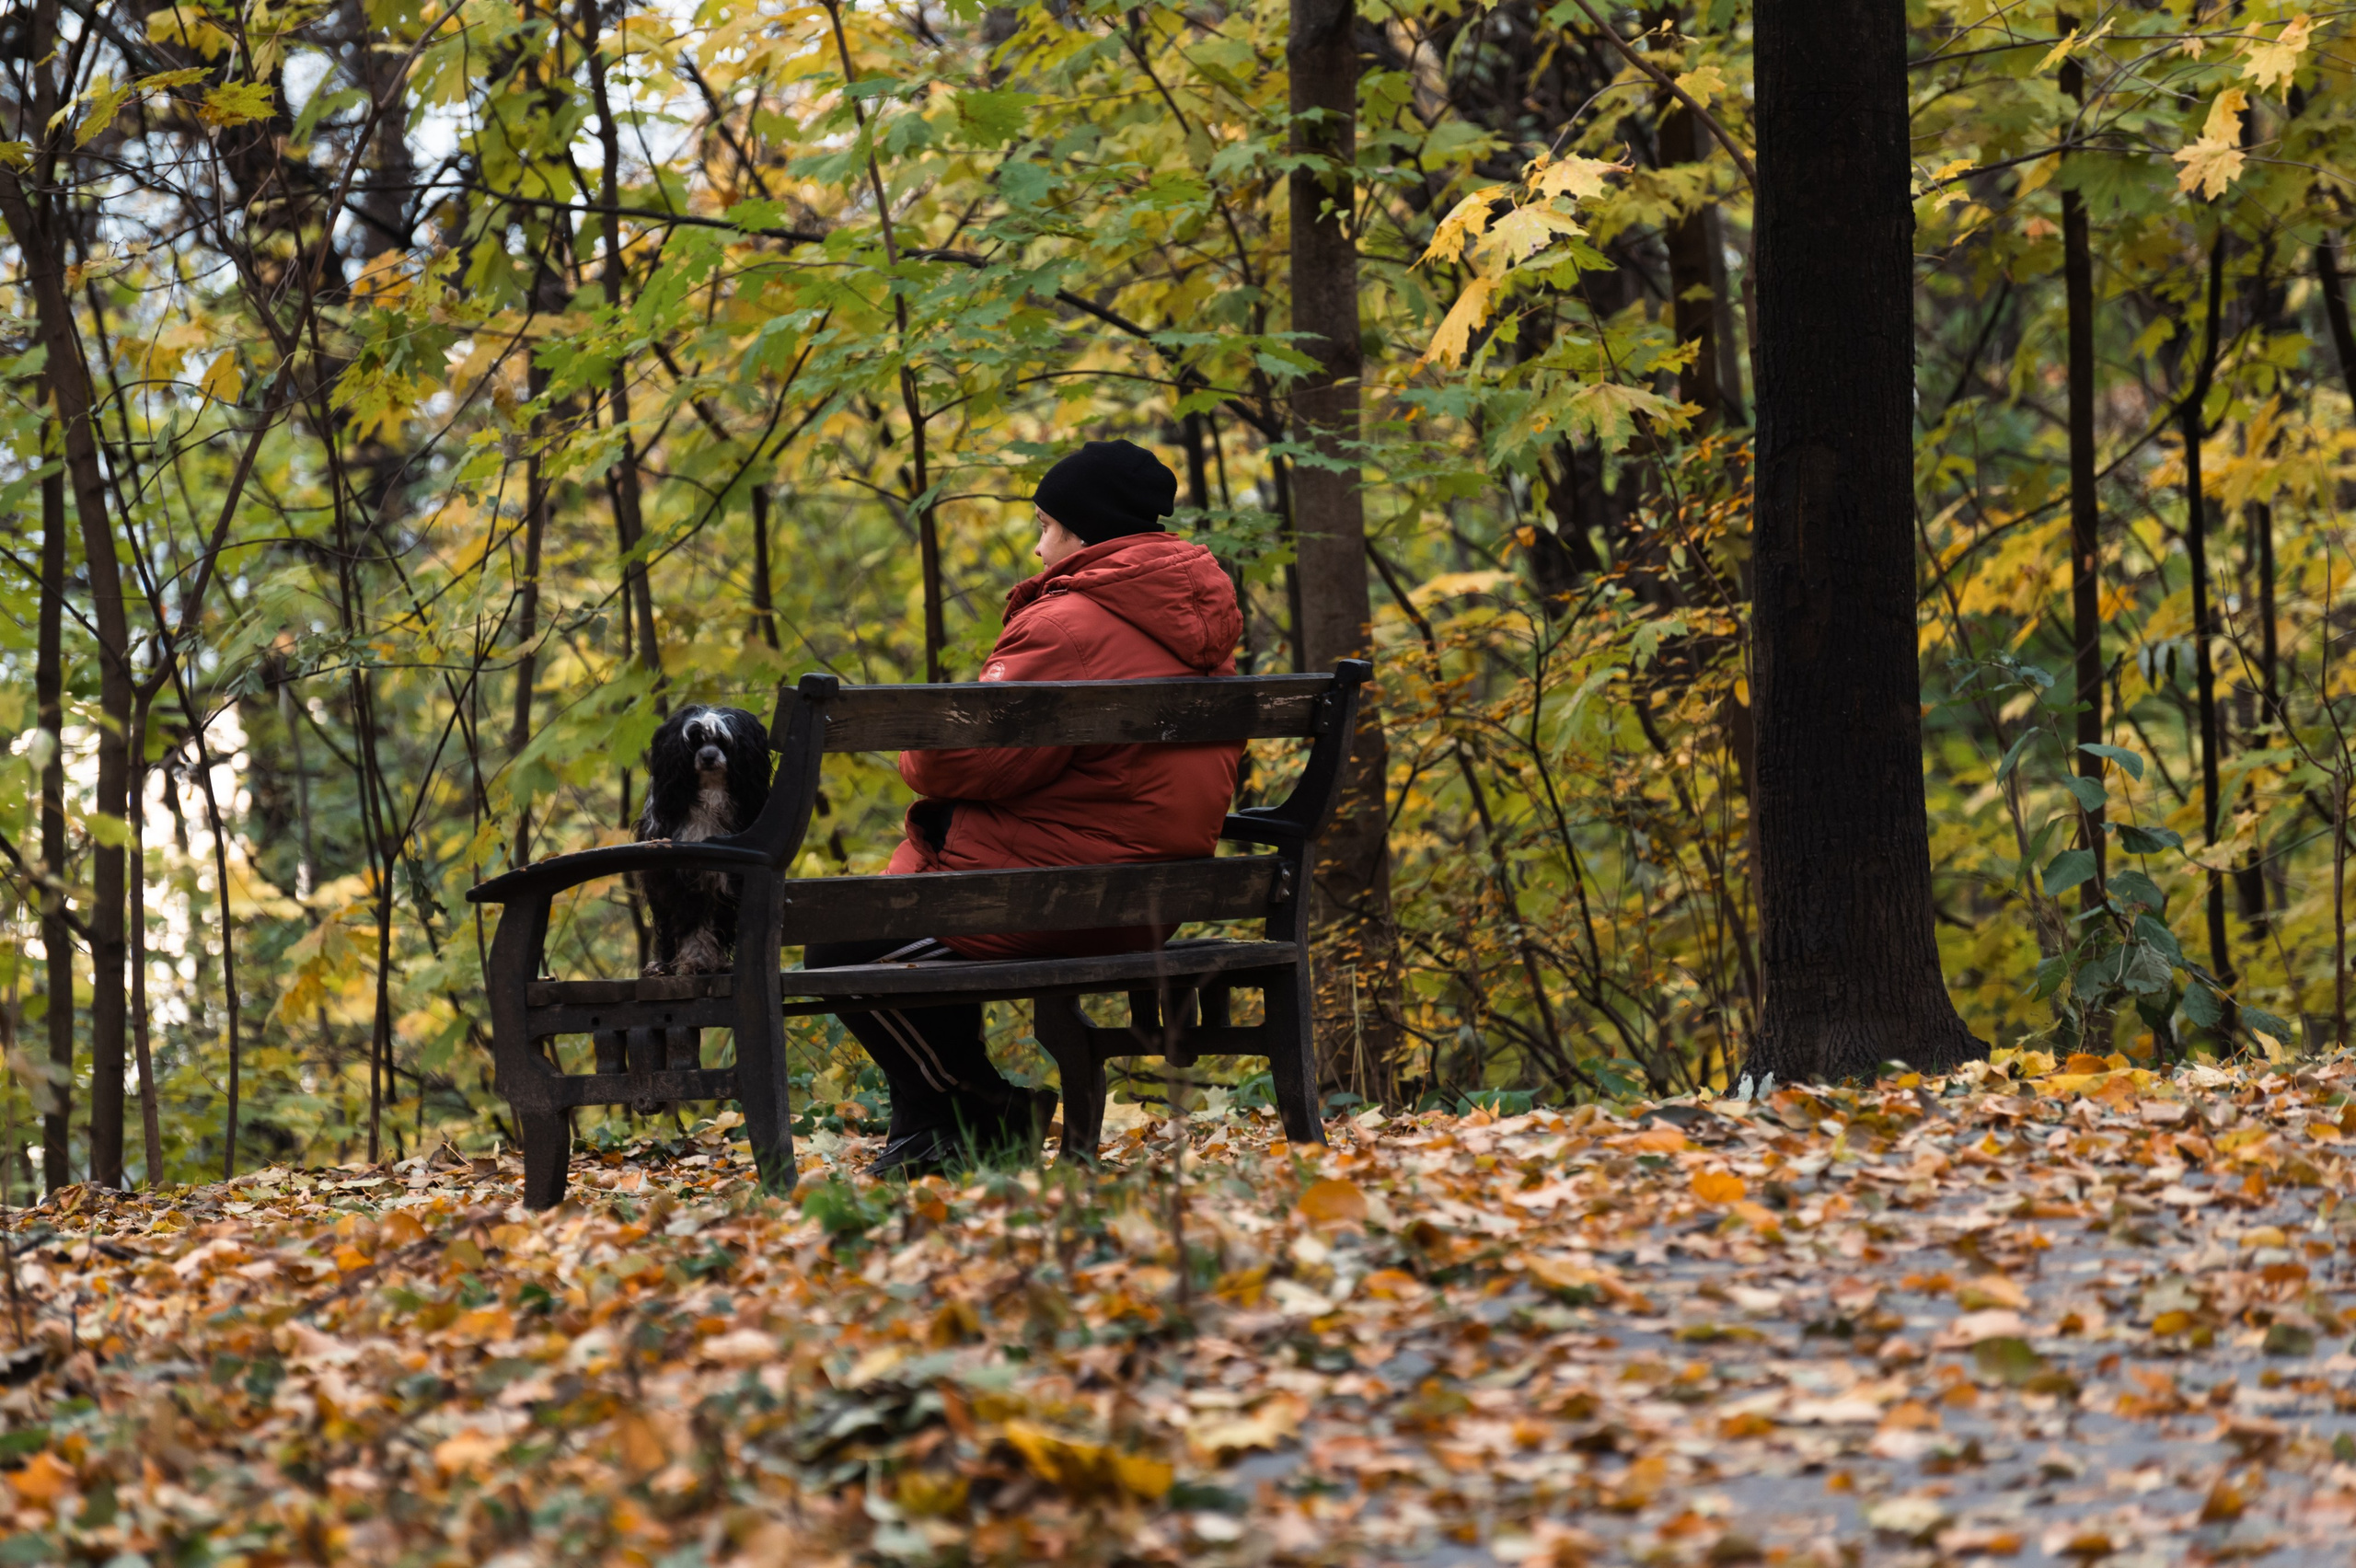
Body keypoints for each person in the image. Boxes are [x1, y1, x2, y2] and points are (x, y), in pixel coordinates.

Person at [805, 439, 1245, 1173]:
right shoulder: (1202, 623)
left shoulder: (1068, 623)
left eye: (1044, 526)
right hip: (1155, 896)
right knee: (908, 926)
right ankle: (938, 1131)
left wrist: (920, 758)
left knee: (844, 948)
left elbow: (955, 760)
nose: (1038, 545)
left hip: (1059, 898)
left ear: (1080, 530)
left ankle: (983, 1107)